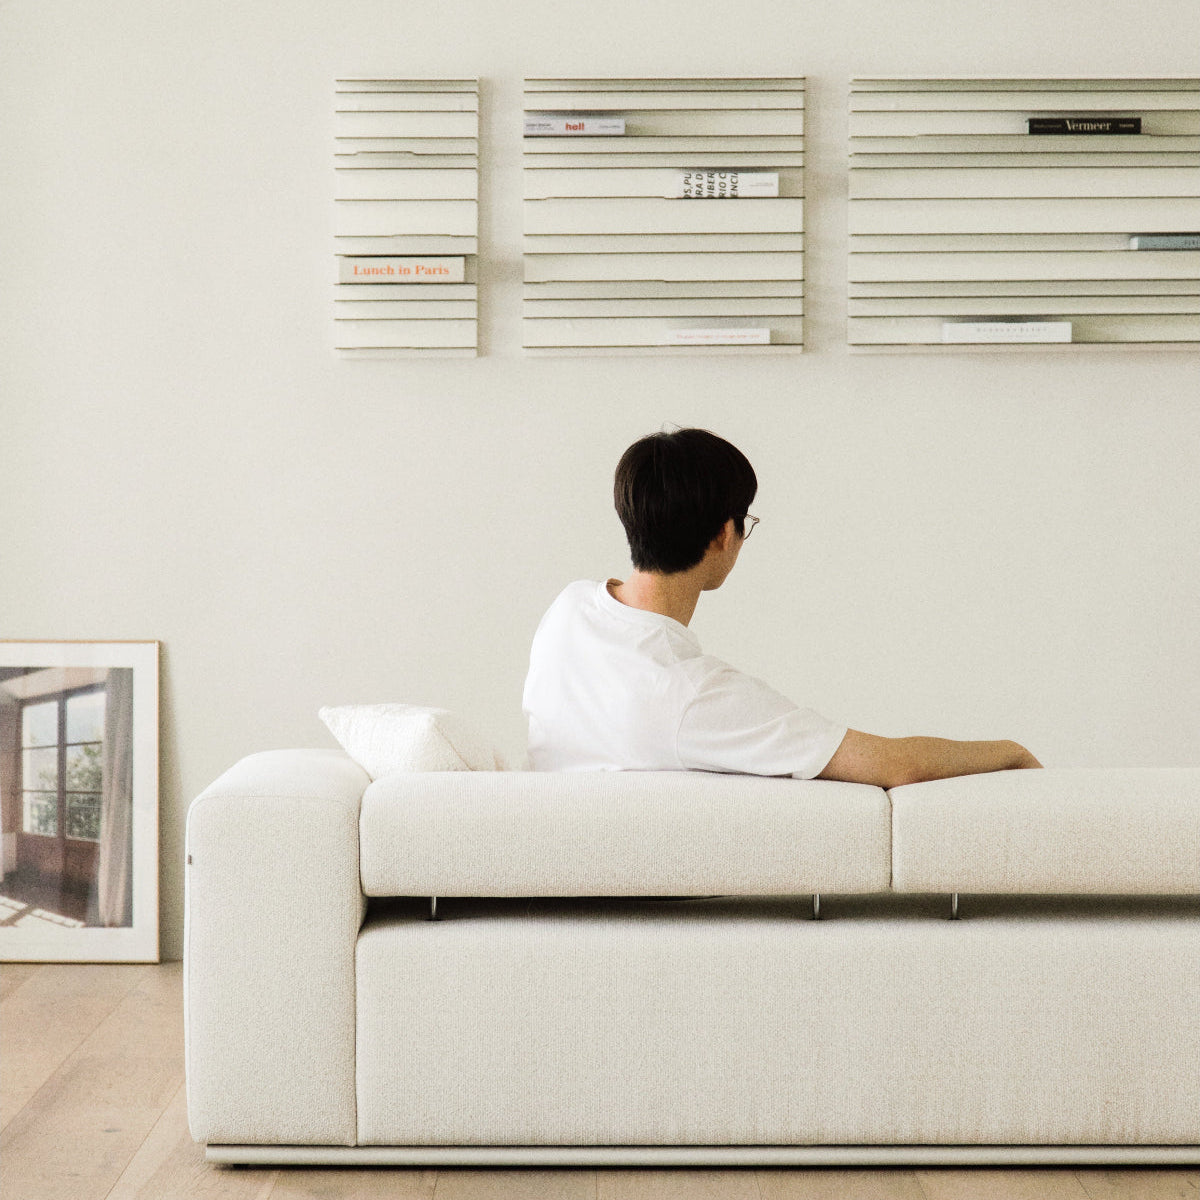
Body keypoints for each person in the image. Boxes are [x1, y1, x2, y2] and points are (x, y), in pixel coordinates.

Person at [522, 427, 1041, 788]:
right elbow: (892, 765)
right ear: (723, 536)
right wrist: (1009, 752)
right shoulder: (691, 694)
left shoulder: (568, 609)